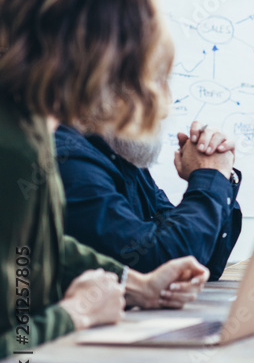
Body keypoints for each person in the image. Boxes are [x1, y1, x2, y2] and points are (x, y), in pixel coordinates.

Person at [0, 0, 209, 358]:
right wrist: (74, 315)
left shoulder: (31, 120)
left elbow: (36, 247)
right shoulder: (15, 143)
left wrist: (134, 284)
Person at [55, 119, 242, 281]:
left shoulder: (124, 159)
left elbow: (203, 263)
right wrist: (209, 176)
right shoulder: (71, 160)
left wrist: (222, 176)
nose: (165, 107)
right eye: (154, 86)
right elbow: (164, 263)